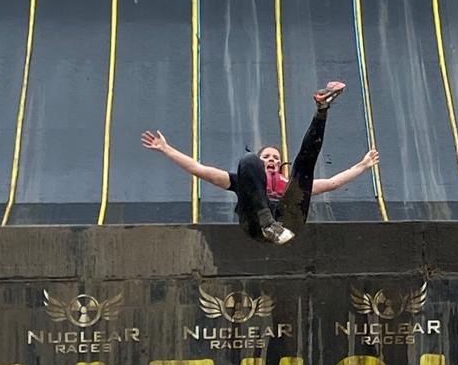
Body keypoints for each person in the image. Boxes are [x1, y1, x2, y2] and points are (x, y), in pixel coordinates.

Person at [142, 81, 377, 244]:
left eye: (276, 158)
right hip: (255, 224)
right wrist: (166, 149)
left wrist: (363, 165)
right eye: (267, 157)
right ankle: (267, 223)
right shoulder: (246, 180)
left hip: (288, 221)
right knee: (247, 159)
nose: (272, 160)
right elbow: (199, 169)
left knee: (304, 166)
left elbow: (333, 183)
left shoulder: (286, 185)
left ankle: (322, 108)